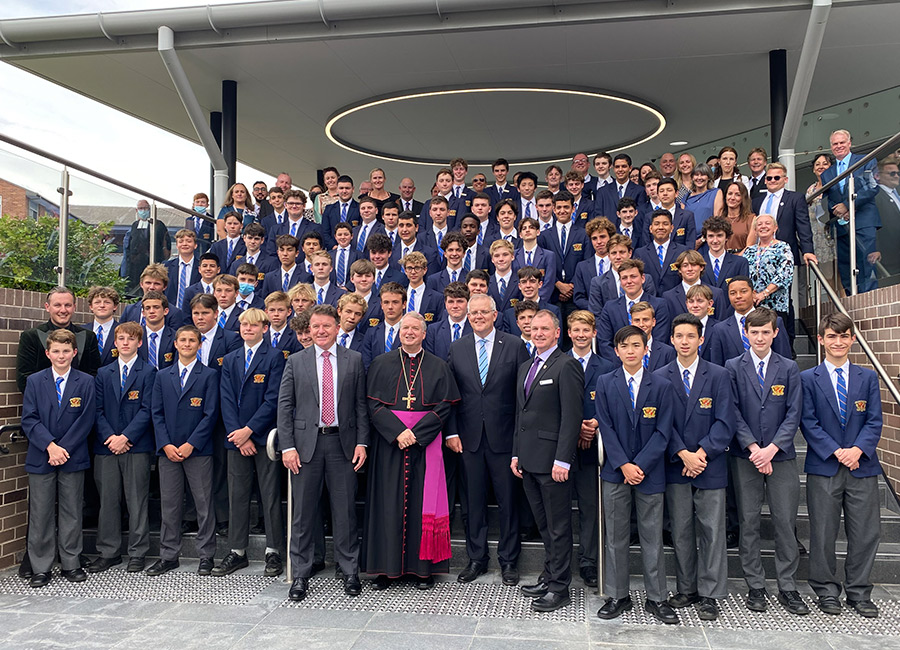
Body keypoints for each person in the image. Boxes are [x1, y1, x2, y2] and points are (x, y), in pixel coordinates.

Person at [362, 311, 460, 590]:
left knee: (422, 504)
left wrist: (417, 434)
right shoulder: (381, 364)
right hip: (390, 444)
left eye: (415, 329)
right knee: (386, 504)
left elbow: (445, 405)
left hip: (424, 445)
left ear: (424, 334)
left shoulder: (439, 366)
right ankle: (385, 569)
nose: (409, 333)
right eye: (405, 328)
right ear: (398, 332)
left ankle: (422, 570)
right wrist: (397, 432)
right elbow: (373, 405)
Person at [277, 305, 368, 600]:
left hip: (342, 445)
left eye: (326, 326)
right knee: (303, 514)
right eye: (315, 326)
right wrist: (287, 446)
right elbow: (285, 407)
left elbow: (360, 407)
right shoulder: (296, 361)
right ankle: (300, 575)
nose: (320, 331)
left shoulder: (353, 360)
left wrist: (362, 443)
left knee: (345, 512)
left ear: (337, 328)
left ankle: (350, 570)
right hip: (305, 447)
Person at [726, 307, 808, 616]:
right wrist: (753, 448)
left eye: (765, 332)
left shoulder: (789, 368)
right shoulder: (733, 367)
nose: (759, 337)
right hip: (745, 456)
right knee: (748, 522)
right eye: (754, 332)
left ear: (775, 333)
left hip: (781, 456)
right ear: (746, 334)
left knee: (785, 521)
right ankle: (755, 585)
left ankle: (787, 586)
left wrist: (771, 449)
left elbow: (793, 413)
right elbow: (731, 411)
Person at [800, 313, 883, 618]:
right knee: (823, 531)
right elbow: (808, 422)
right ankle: (825, 590)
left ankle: (859, 591)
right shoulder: (808, 378)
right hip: (825, 465)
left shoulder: (868, 377)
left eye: (844, 336)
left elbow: (875, 420)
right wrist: (837, 451)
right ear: (821, 340)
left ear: (852, 339)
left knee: (865, 532)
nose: (838, 342)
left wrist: (858, 450)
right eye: (832, 336)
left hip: (863, 466)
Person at [595, 325, 676, 623]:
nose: (630, 350)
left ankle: (657, 598)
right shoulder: (605, 382)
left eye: (636, 345)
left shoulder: (662, 385)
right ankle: (618, 595)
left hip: (650, 472)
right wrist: (623, 464)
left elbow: (663, 432)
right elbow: (606, 427)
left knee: (652, 537)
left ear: (645, 349)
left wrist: (639, 465)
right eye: (624, 346)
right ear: (616, 351)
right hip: (616, 472)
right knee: (615, 536)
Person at [447, 294, 530, 587]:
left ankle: (509, 561)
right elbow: (451, 397)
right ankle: (476, 559)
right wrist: (452, 431)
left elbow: (523, 397)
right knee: (472, 503)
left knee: (508, 502)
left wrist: (521, 440)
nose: (478, 316)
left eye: (484, 312)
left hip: (505, 439)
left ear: (495, 315)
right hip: (468, 440)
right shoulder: (457, 348)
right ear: (467, 316)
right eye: (473, 312)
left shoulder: (515, 345)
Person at [659, 314, 734, 621]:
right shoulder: (661, 375)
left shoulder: (718, 375)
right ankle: (686, 588)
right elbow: (661, 422)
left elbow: (725, 420)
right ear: (672, 340)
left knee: (713, 531)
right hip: (677, 465)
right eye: (680, 336)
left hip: (709, 464)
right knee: (681, 530)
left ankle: (710, 593)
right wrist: (683, 453)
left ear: (701, 340)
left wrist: (700, 454)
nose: (685, 341)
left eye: (691, 336)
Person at [510, 310, 582, 612]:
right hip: (528, 461)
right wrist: (516, 452)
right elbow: (521, 414)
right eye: (533, 328)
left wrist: (563, 460)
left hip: (553, 464)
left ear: (557, 333)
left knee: (558, 527)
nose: (537, 332)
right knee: (544, 525)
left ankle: (559, 587)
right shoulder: (527, 365)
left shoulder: (567, 366)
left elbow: (571, 418)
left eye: (544, 328)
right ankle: (548, 574)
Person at [213, 308, 286, 578]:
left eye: (253, 326)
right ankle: (237, 551)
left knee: (269, 496)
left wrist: (250, 431)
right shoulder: (231, 358)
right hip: (237, 440)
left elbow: (273, 399)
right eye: (243, 325)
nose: (247, 329)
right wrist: (237, 433)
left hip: (263, 438)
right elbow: (226, 399)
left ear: (264, 329)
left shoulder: (276, 357)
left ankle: (273, 551)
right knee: (238, 495)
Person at [21, 329, 96, 588]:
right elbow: (29, 418)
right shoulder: (35, 381)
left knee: (71, 512)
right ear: (47, 353)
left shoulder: (86, 382)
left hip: (73, 456)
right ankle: (41, 566)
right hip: (42, 456)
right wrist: (50, 446)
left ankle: (71, 563)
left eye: (66, 351)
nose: (61, 356)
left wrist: (63, 448)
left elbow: (86, 419)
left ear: (74, 353)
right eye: (56, 351)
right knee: (40, 513)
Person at [147, 325, 220, 577]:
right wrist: (166, 444)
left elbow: (211, 415)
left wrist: (192, 443)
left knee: (203, 504)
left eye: (192, 340)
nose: (187, 344)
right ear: (175, 344)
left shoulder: (209, 375)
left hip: (197, 451)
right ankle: (168, 555)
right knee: (170, 505)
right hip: (167, 451)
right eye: (183, 340)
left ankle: (206, 555)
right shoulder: (162, 375)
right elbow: (155, 413)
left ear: (200, 345)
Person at [88, 322, 156, 575]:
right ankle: (109, 552)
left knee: (137, 500)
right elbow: (96, 410)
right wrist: (111, 438)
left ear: (139, 343)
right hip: (106, 447)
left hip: (136, 446)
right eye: (121, 338)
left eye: (131, 339)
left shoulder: (149, 372)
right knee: (108, 501)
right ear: (114, 343)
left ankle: (138, 552)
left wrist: (126, 437)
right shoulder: (103, 373)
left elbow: (148, 410)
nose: (125, 342)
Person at [566, 310, 616, 587]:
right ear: (569, 333)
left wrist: (594, 424)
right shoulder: (557, 362)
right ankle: (557, 562)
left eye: (586, 330)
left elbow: (611, 405)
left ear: (594, 332)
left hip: (594, 448)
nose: (581, 335)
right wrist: (576, 429)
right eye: (576, 330)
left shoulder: (607, 366)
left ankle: (588, 561)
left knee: (589, 507)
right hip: (563, 449)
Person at [821, 130, 880, 293]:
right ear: (831, 147)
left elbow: (873, 186)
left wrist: (847, 205)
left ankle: (870, 300)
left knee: (866, 264)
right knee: (846, 267)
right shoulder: (827, 173)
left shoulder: (866, 160)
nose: (839, 146)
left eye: (842, 142)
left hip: (864, 221)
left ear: (849, 143)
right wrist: (839, 211)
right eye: (835, 144)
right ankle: (852, 303)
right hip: (841, 226)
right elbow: (829, 198)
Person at [705, 275, 792, 366]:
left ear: (753, 293)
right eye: (733, 293)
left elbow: (784, 360)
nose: (738, 296)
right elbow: (717, 366)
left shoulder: (774, 321)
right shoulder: (720, 329)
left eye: (743, 291)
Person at [742, 214, 794, 339]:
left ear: (775, 227)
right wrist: (752, 293)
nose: (763, 226)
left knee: (777, 341)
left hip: (776, 304)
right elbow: (742, 273)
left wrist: (764, 293)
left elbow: (785, 273)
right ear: (755, 230)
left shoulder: (783, 247)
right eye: (759, 224)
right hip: (754, 304)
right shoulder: (749, 250)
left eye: (767, 223)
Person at [121, 199, 172, 296]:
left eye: (145, 208)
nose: (143, 211)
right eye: (140, 208)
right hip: (135, 267)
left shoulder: (158, 225)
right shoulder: (134, 225)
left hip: (153, 262)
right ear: (137, 210)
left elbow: (166, 244)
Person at [634, 210, 689, 295]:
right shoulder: (640, 253)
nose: (661, 227)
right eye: (656, 224)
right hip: (648, 303)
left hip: (675, 301)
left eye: (665, 224)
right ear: (650, 228)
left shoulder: (682, 251)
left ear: (672, 228)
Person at [805, 153, 838, 285]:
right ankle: (832, 303)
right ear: (813, 169)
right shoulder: (810, 190)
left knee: (839, 275)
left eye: (825, 163)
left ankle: (844, 302)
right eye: (817, 164)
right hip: (818, 238)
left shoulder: (835, 184)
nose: (821, 167)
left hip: (833, 234)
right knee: (827, 276)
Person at [698, 217, 751, 290]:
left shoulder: (740, 263)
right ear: (705, 238)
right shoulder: (698, 262)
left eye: (719, 235)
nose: (715, 240)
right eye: (711, 236)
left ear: (727, 237)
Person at [424, 282, 472, 361]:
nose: (455, 306)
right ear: (445, 303)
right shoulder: (433, 330)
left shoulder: (475, 329)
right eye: (451, 302)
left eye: (460, 301)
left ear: (468, 303)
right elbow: (430, 361)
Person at [873, 155, 900, 279]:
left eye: (897, 173)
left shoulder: (897, 194)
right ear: (878, 176)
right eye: (892, 173)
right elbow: (874, 225)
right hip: (889, 256)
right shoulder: (876, 196)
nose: (896, 176)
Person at [84, 285, 120, 368]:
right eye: (97, 302)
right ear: (91, 307)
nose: (102, 305)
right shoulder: (82, 331)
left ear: (115, 306)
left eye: (107, 302)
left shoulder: (122, 331)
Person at [165, 229, 200, 311]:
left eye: (189, 241)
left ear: (195, 245)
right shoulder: (167, 266)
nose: (184, 244)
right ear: (177, 245)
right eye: (181, 241)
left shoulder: (201, 267)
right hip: (171, 311)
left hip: (194, 311)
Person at [716, 181, 756, 253]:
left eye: (737, 195)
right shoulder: (719, 219)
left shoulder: (751, 219)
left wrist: (737, 261)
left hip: (743, 259)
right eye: (730, 194)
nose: (732, 198)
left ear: (743, 198)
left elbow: (750, 247)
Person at [684, 163, 724, 233]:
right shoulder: (686, 196)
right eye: (696, 175)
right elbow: (682, 221)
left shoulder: (716, 193)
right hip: (689, 240)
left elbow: (717, 220)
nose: (699, 178)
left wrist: (703, 239)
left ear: (708, 177)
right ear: (692, 178)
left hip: (709, 239)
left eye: (702, 175)